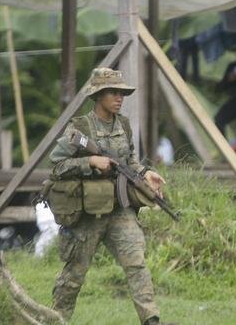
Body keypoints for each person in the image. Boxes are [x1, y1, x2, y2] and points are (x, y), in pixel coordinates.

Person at [48, 67, 171, 325]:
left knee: (136, 264)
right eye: (114, 93)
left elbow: (130, 161)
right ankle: (55, 320)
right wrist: (89, 162)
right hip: (88, 213)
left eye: (122, 93)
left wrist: (146, 173)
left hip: (119, 209)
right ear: (99, 95)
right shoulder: (80, 128)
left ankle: (152, 320)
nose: (120, 98)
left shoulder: (123, 124)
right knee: (74, 275)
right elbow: (56, 166)